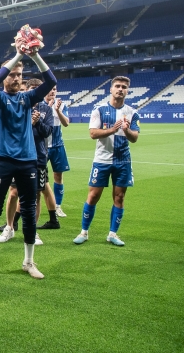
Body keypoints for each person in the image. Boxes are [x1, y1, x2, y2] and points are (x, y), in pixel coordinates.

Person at [0, 37, 56, 282]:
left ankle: (29, 262)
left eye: (19, 75)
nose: (15, 78)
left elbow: (51, 81)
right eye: (12, 74)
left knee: (30, 213)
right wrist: (19, 55)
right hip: (1, 160)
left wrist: (33, 55)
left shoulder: (27, 98)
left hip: (27, 161)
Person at [73, 76, 140, 246]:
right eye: (117, 86)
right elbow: (93, 134)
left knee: (119, 197)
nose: (120, 89)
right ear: (110, 89)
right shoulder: (99, 110)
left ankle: (112, 234)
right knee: (93, 195)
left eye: (124, 87)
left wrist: (126, 130)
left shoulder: (132, 112)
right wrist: (113, 129)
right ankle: (84, 232)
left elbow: (134, 138)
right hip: (102, 160)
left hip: (123, 161)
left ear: (127, 90)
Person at [0, 78, 53, 246]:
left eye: (39, 88)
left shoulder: (46, 110)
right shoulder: (19, 104)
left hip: (38, 158)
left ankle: (33, 230)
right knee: (13, 193)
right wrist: (29, 122)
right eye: (33, 88)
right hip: (18, 155)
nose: (37, 91)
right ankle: (9, 227)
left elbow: (48, 132)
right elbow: (12, 129)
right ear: (27, 89)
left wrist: (38, 123)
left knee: (35, 196)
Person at [44, 85, 71, 218]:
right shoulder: (38, 103)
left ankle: (58, 206)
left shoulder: (62, 105)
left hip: (57, 146)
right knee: (37, 176)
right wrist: (49, 108)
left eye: (54, 89)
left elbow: (66, 123)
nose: (52, 91)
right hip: (42, 147)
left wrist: (58, 111)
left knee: (58, 176)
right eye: (50, 88)